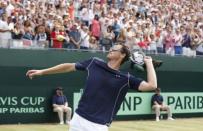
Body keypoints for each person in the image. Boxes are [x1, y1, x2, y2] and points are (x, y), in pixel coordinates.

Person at [26, 44, 157, 131]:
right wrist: (42, 72)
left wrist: (149, 63)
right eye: (111, 48)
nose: (110, 50)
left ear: (122, 55)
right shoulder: (94, 63)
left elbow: (152, 85)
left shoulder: (126, 79)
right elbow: (68, 66)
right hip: (78, 119)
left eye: (114, 49)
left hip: (98, 126)